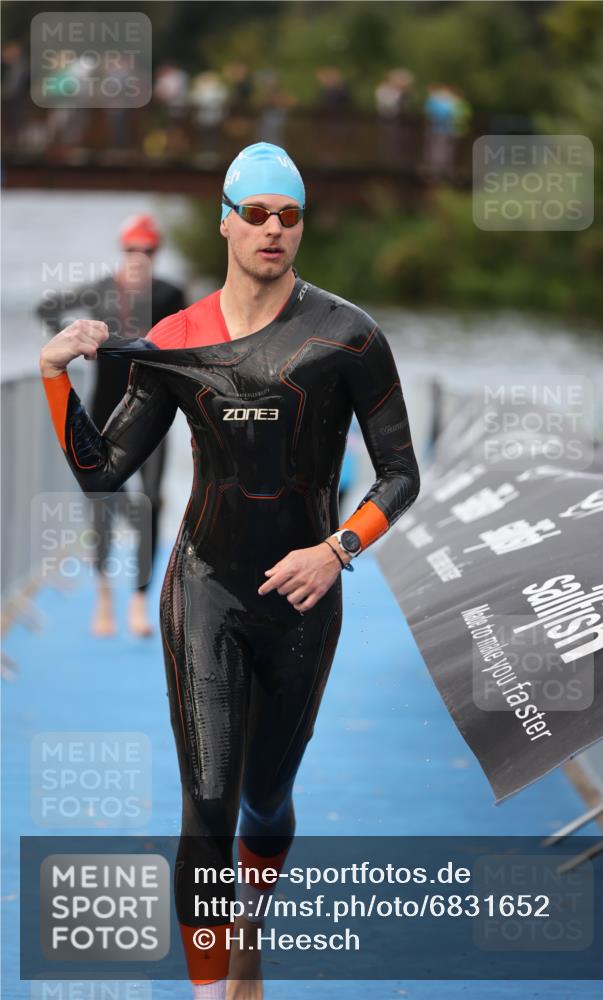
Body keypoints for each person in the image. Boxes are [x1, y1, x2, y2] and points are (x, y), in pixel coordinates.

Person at [39, 141, 420, 999]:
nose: (274, 230)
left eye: (289, 216)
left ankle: (248, 928)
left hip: (305, 597)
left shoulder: (347, 336)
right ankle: (211, 992)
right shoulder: (176, 340)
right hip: (205, 586)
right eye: (256, 214)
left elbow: (401, 474)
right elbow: (103, 472)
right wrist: (54, 376)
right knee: (206, 803)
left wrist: (336, 550)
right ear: (225, 221)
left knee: (265, 800)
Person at [37, 213, 186, 637]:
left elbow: (193, 342)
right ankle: (103, 597)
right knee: (102, 499)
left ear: (156, 253)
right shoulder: (102, 289)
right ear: (123, 251)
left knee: (154, 501)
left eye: (148, 251)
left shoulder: (170, 292)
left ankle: (139, 601)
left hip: (155, 411)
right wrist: (70, 343)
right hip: (104, 409)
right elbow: (47, 308)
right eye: (132, 250)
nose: (140, 258)